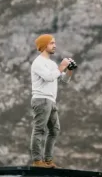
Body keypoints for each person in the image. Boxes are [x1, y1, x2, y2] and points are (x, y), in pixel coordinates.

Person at [30, 34, 72, 167]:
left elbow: (64, 80)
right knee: (39, 129)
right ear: (44, 45)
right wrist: (62, 66)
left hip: (51, 100)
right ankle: (37, 161)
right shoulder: (38, 62)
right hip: (41, 99)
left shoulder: (52, 64)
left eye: (54, 43)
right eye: (51, 43)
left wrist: (69, 70)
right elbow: (49, 77)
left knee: (55, 130)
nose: (55, 45)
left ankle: (48, 160)